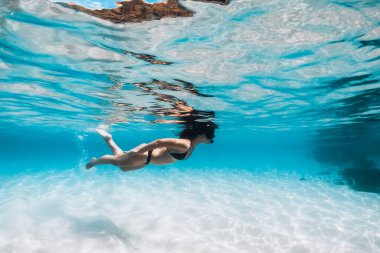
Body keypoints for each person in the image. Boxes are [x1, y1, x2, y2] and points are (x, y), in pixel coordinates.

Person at [85, 124, 216, 172]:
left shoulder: (191, 145)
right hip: (145, 155)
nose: (211, 139)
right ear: (202, 134)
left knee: (124, 168)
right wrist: (136, 151)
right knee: (116, 161)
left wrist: (209, 139)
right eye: (210, 135)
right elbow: (160, 142)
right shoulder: (185, 144)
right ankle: (94, 162)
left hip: (147, 160)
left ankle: (108, 139)